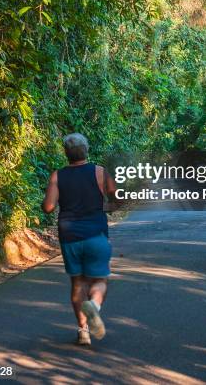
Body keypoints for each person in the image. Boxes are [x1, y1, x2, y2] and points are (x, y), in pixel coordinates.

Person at [42, 133, 117, 346]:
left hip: (69, 235)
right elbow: (116, 197)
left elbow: (48, 207)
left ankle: (83, 331)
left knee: (77, 283)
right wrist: (109, 209)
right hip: (96, 233)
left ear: (66, 153)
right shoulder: (100, 172)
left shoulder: (57, 176)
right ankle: (94, 305)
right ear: (86, 150)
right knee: (100, 280)